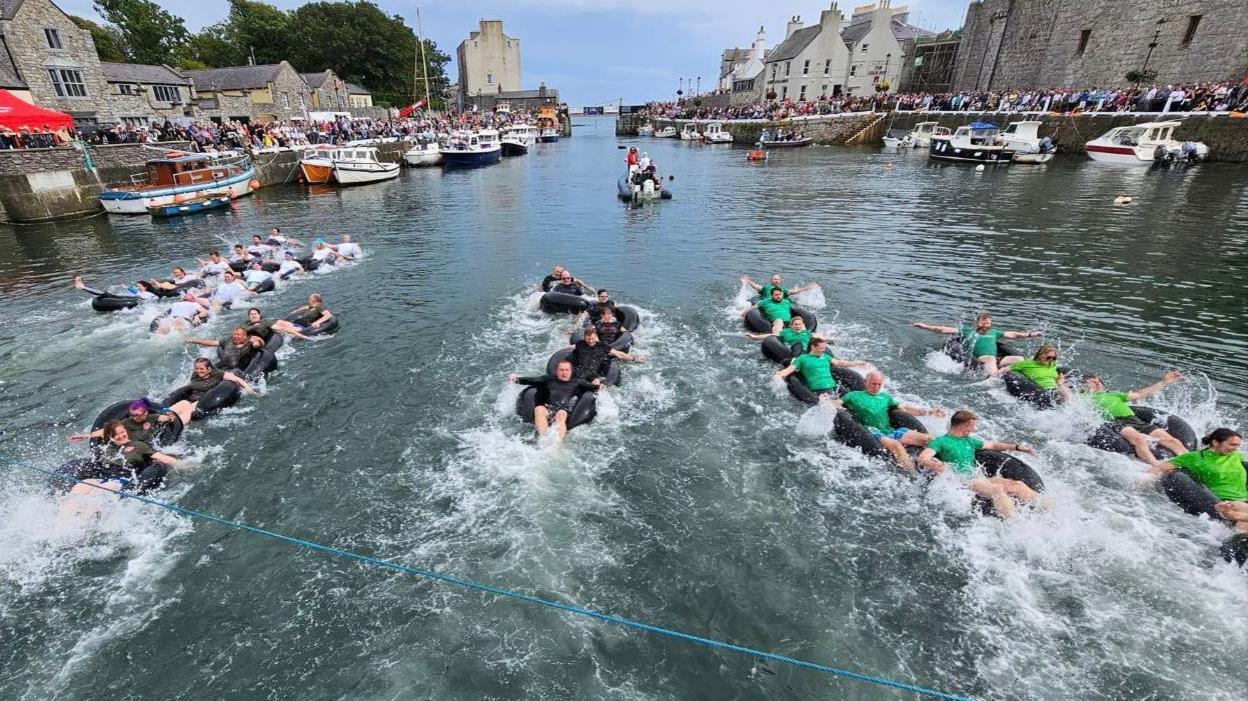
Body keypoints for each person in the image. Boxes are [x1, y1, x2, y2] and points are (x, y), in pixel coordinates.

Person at [917, 410, 1046, 519]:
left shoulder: (969, 441)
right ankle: (1014, 524)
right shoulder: (941, 441)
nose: (974, 428)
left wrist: (1018, 447)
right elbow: (923, 457)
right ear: (964, 426)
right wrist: (931, 463)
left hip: (977, 478)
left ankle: (1049, 509)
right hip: (961, 481)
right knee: (997, 489)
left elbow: (993, 445)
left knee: (1016, 484)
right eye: (972, 425)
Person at [834, 371, 945, 471]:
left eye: (879, 384)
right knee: (896, 446)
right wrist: (825, 401)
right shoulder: (854, 396)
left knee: (929, 438)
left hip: (891, 431)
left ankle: (933, 462)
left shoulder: (885, 397)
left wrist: (929, 412)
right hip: (873, 432)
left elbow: (904, 408)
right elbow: (837, 403)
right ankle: (913, 475)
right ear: (865, 382)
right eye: (873, 383)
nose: (876, 387)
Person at [1148, 428, 1247, 532]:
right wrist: (1144, 479)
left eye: (1237, 445)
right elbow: (1160, 468)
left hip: (1244, 500)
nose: (1236, 448)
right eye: (1232, 445)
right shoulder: (1195, 458)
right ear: (1215, 442)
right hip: (1224, 502)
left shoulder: (1236, 455)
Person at [1081, 370, 1188, 463]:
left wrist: (1164, 382)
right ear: (1082, 386)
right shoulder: (1082, 398)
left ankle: (1192, 461)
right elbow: (1068, 397)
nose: (1097, 382)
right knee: (1139, 439)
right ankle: (1156, 466)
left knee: (1173, 441)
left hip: (1134, 420)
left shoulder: (1114, 395)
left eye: (1098, 381)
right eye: (1092, 381)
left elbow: (1140, 394)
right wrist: (1062, 386)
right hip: (1114, 422)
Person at [63, 420, 181, 498]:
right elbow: (104, 431)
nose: (120, 436)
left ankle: (82, 525)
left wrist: (186, 464)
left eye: (122, 432)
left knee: (98, 493)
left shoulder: (138, 446)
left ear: (126, 431)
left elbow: (160, 457)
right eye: (116, 435)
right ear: (110, 436)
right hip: (104, 477)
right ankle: (61, 520)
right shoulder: (108, 444)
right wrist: (85, 436)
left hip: (122, 480)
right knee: (82, 485)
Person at [912, 313, 1041, 375]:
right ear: (977, 322)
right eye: (983, 323)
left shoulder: (994, 331)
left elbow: (1013, 334)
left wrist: (1030, 334)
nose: (986, 325)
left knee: (1019, 358)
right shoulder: (968, 331)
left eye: (988, 323)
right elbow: (943, 329)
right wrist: (925, 326)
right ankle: (993, 379)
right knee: (990, 360)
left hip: (997, 359)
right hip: (981, 358)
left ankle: (1029, 371)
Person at [508, 359, 602, 440]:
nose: (564, 372)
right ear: (556, 371)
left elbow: (594, 388)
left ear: (570, 371)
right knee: (539, 409)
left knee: (561, 414)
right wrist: (516, 379)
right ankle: (543, 438)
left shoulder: (577, 382)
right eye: (561, 370)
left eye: (566, 370)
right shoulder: (548, 379)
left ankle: (556, 444)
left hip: (565, 410)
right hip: (549, 407)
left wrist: (598, 385)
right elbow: (531, 380)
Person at [774, 336, 873, 401]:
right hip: (820, 391)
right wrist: (779, 375)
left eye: (824, 348)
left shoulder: (825, 356)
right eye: (821, 348)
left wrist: (858, 364)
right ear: (813, 347)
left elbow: (840, 362)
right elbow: (789, 369)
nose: (823, 350)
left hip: (835, 389)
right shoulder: (802, 359)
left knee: (855, 399)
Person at [166, 357, 258, 425]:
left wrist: (252, 392)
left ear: (209, 368)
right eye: (197, 368)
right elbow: (189, 386)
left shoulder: (217, 373)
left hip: (204, 401)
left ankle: (176, 425)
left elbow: (237, 380)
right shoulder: (195, 375)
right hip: (191, 399)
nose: (198, 371)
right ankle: (162, 418)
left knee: (186, 407)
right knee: (182, 403)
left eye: (201, 369)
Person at [68, 398, 175, 444]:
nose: (134, 417)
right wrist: (85, 436)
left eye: (137, 415)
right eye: (132, 415)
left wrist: (170, 415)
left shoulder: (152, 418)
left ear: (145, 413)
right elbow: (105, 431)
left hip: (147, 445)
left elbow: (165, 417)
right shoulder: (126, 422)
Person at [563, 327, 642, 381]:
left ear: (596, 337)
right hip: (580, 369)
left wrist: (633, 358)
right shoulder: (580, 344)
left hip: (594, 371)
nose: (590, 341)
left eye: (592, 339)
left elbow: (618, 354)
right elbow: (571, 347)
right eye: (588, 339)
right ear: (584, 338)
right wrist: (560, 350)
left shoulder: (603, 346)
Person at [999, 344, 1072, 402]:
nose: (1051, 360)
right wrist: (992, 376)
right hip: (1041, 391)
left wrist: (1060, 380)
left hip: (1054, 390)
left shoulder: (1052, 365)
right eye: (1048, 357)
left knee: (1064, 390)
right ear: (1041, 354)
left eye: (1054, 358)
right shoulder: (1026, 364)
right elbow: (1005, 369)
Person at [185, 327, 260, 370]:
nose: (235, 336)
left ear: (244, 337)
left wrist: (258, 343)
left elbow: (259, 344)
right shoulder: (228, 341)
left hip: (238, 369)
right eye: (234, 334)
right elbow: (212, 343)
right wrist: (194, 340)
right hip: (224, 365)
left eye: (238, 335)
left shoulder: (249, 343)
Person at [746, 313, 812, 350]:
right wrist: (755, 337)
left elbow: (818, 339)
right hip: (791, 350)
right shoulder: (786, 332)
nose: (798, 326)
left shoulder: (807, 333)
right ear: (791, 326)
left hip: (805, 352)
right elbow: (771, 335)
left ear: (802, 325)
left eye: (799, 324)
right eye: (796, 324)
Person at [241, 307, 308, 341]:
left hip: (266, 337)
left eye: (255, 314)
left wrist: (299, 335)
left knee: (283, 324)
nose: (253, 315)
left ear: (259, 316)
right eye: (251, 314)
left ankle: (301, 328)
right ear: (249, 317)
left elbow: (282, 328)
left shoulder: (265, 323)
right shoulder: (246, 324)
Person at [72, 275, 156, 302]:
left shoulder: (149, 294)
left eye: (139, 286)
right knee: (105, 294)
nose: (138, 287)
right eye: (137, 286)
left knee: (105, 294)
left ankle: (82, 286)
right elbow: (134, 291)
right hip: (129, 299)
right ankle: (82, 286)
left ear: (145, 287)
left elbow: (150, 299)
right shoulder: (138, 291)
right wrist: (126, 287)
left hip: (132, 301)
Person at [740, 274, 818, 300]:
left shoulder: (782, 290)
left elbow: (795, 291)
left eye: (778, 279)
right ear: (771, 280)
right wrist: (748, 281)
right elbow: (756, 287)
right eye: (775, 279)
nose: (776, 280)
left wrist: (808, 287)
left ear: (780, 281)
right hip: (767, 302)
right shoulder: (766, 287)